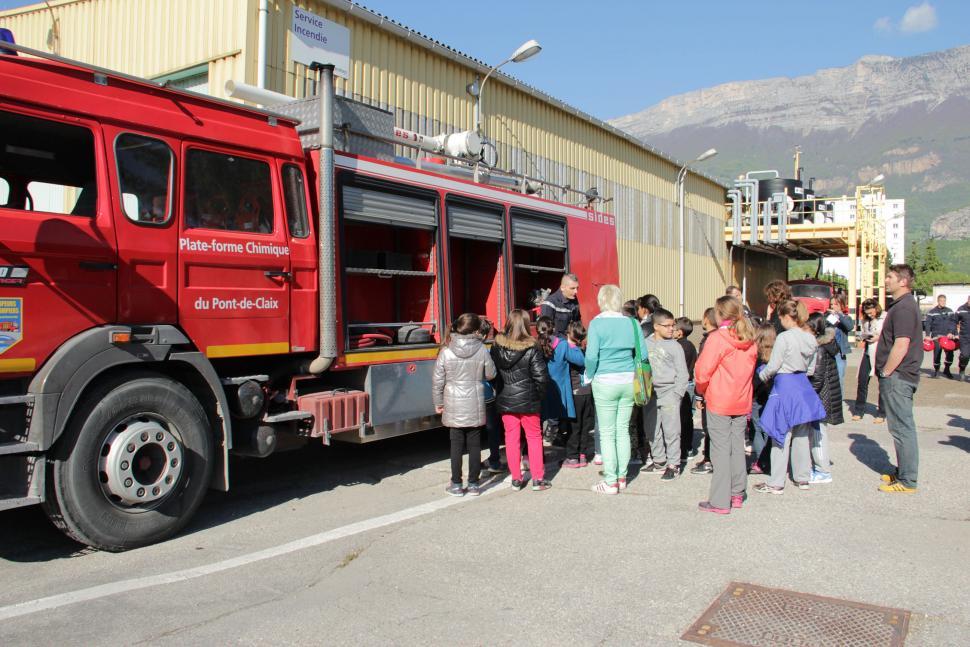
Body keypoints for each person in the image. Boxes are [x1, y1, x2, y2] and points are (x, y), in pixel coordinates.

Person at [754, 300, 826, 495]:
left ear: (787, 317)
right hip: (803, 385)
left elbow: (774, 365)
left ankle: (776, 482)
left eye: (780, 317)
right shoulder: (810, 338)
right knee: (802, 435)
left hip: (784, 385)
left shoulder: (784, 338)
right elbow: (811, 368)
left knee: (780, 435)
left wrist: (761, 375)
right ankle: (802, 478)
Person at [694, 296, 758, 513]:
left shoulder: (717, 339)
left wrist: (701, 391)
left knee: (720, 450)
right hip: (741, 399)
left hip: (720, 399)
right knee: (737, 447)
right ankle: (737, 493)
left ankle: (720, 500)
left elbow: (702, 372)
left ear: (719, 314)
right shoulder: (749, 337)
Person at [586, 284, 642, 494]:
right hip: (628, 381)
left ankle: (610, 482)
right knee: (622, 430)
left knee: (607, 433)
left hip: (604, 381)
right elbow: (642, 354)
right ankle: (621, 476)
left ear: (601, 300)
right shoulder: (633, 323)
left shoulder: (596, 324)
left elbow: (591, 356)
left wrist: (589, 374)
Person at [432, 313, 497, 497]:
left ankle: (456, 484)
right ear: (476, 329)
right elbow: (491, 374)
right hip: (475, 400)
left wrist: (438, 402)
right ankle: (474, 484)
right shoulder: (482, 349)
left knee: (456, 445)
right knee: (475, 444)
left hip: (453, 402)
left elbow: (438, 380)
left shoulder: (446, 350)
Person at [491, 309, 551, 492]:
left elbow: (492, 374)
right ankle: (538, 479)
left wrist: (499, 390)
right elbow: (541, 377)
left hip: (506, 399)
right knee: (533, 438)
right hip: (529, 400)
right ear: (526, 325)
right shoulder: (532, 347)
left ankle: (516, 479)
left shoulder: (496, 346)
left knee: (511, 439)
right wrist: (538, 396)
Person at [876, 264, 924, 493]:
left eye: (890, 277)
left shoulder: (904, 308)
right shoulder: (902, 306)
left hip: (898, 376)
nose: (886, 280)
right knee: (899, 427)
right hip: (900, 375)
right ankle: (903, 471)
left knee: (902, 428)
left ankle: (907, 480)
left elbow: (902, 343)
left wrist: (887, 371)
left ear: (903, 281)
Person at [641, 308, 689, 480]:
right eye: (667, 326)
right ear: (655, 326)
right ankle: (659, 460)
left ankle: (673, 464)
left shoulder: (676, 347)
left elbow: (683, 374)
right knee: (652, 428)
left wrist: (677, 394)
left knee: (671, 430)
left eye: (673, 325)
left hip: (670, 393)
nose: (671, 329)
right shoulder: (645, 344)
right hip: (650, 394)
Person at [808, 312, 844, 485]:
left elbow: (818, 377)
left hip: (821, 395)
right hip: (827, 393)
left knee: (818, 431)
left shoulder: (820, 348)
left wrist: (806, 394)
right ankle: (820, 467)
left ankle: (822, 470)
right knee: (819, 430)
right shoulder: (829, 344)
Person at [560, 322, 595, 467]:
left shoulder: (568, 350)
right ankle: (582, 455)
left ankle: (572, 457)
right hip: (587, 391)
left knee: (574, 426)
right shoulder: (583, 349)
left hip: (575, 393)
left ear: (569, 333)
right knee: (585, 426)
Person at [690, 308, 718, 475]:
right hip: (722, 391)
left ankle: (710, 459)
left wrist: (699, 393)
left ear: (707, 319)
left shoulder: (710, 340)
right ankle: (710, 457)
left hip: (710, 390)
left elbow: (702, 369)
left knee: (710, 427)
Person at [852, 299, 886, 422]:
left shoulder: (885, 317)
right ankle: (859, 410)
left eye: (871, 312)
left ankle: (882, 413)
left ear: (876, 309)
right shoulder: (865, 320)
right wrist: (863, 336)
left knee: (882, 384)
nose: (870, 315)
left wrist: (878, 337)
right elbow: (863, 332)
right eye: (867, 313)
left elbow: (889, 335)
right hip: (867, 353)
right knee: (862, 381)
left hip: (880, 353)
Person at [749, 322, 776, 475]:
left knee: (756, 428)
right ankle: (771, 459)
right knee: (769, 429)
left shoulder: (756, 356)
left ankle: (762, 461)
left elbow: (754, 379)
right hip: (771, 396)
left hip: (757, 396)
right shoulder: (777, 355)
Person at [479, 319, 505, 474]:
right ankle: (494, 461)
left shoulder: (450, 349)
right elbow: (491, 374)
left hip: (465, 398)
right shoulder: (483, 351)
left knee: (471, 433)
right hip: (486, 394)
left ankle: (473, 469)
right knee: (492, 428)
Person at [674, 317, 698, 465]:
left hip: (683, 384)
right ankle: (688, 448)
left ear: (680, 332)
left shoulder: (680, 347)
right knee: (687, 418)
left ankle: (683, 449)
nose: (672, 330)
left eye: (675, 329)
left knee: (681, 419)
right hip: (689, 383)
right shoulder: (691, 346)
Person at [924, 294, 957, 379]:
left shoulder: (950, 311)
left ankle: (947, 369)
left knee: (950, 354)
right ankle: (937, 371)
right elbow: (927, 324)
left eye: (944, 301)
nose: (943, 302)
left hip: (947, 336)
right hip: (936, 337)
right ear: (938, 301)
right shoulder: (932, 312)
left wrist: (952, 333)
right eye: (941, 301)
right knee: (937, 354)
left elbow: (953, 323)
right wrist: (927, 335)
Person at [826, 294, 854, 385]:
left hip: (839, 353)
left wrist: (839, 315)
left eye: (835, 304)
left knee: (839, 377)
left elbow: (849, 327)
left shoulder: (846, 318)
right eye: (831, 304)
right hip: (828, 351)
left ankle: (840, 399)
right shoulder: (828, 317)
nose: (833, 306)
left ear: (842, 305)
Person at [956, 294, 970, 382]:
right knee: (965, 355)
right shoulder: (961, 309)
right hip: (964, 337)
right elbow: (954, 321)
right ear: (968, 300)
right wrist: (954, 332)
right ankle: (962, 369)